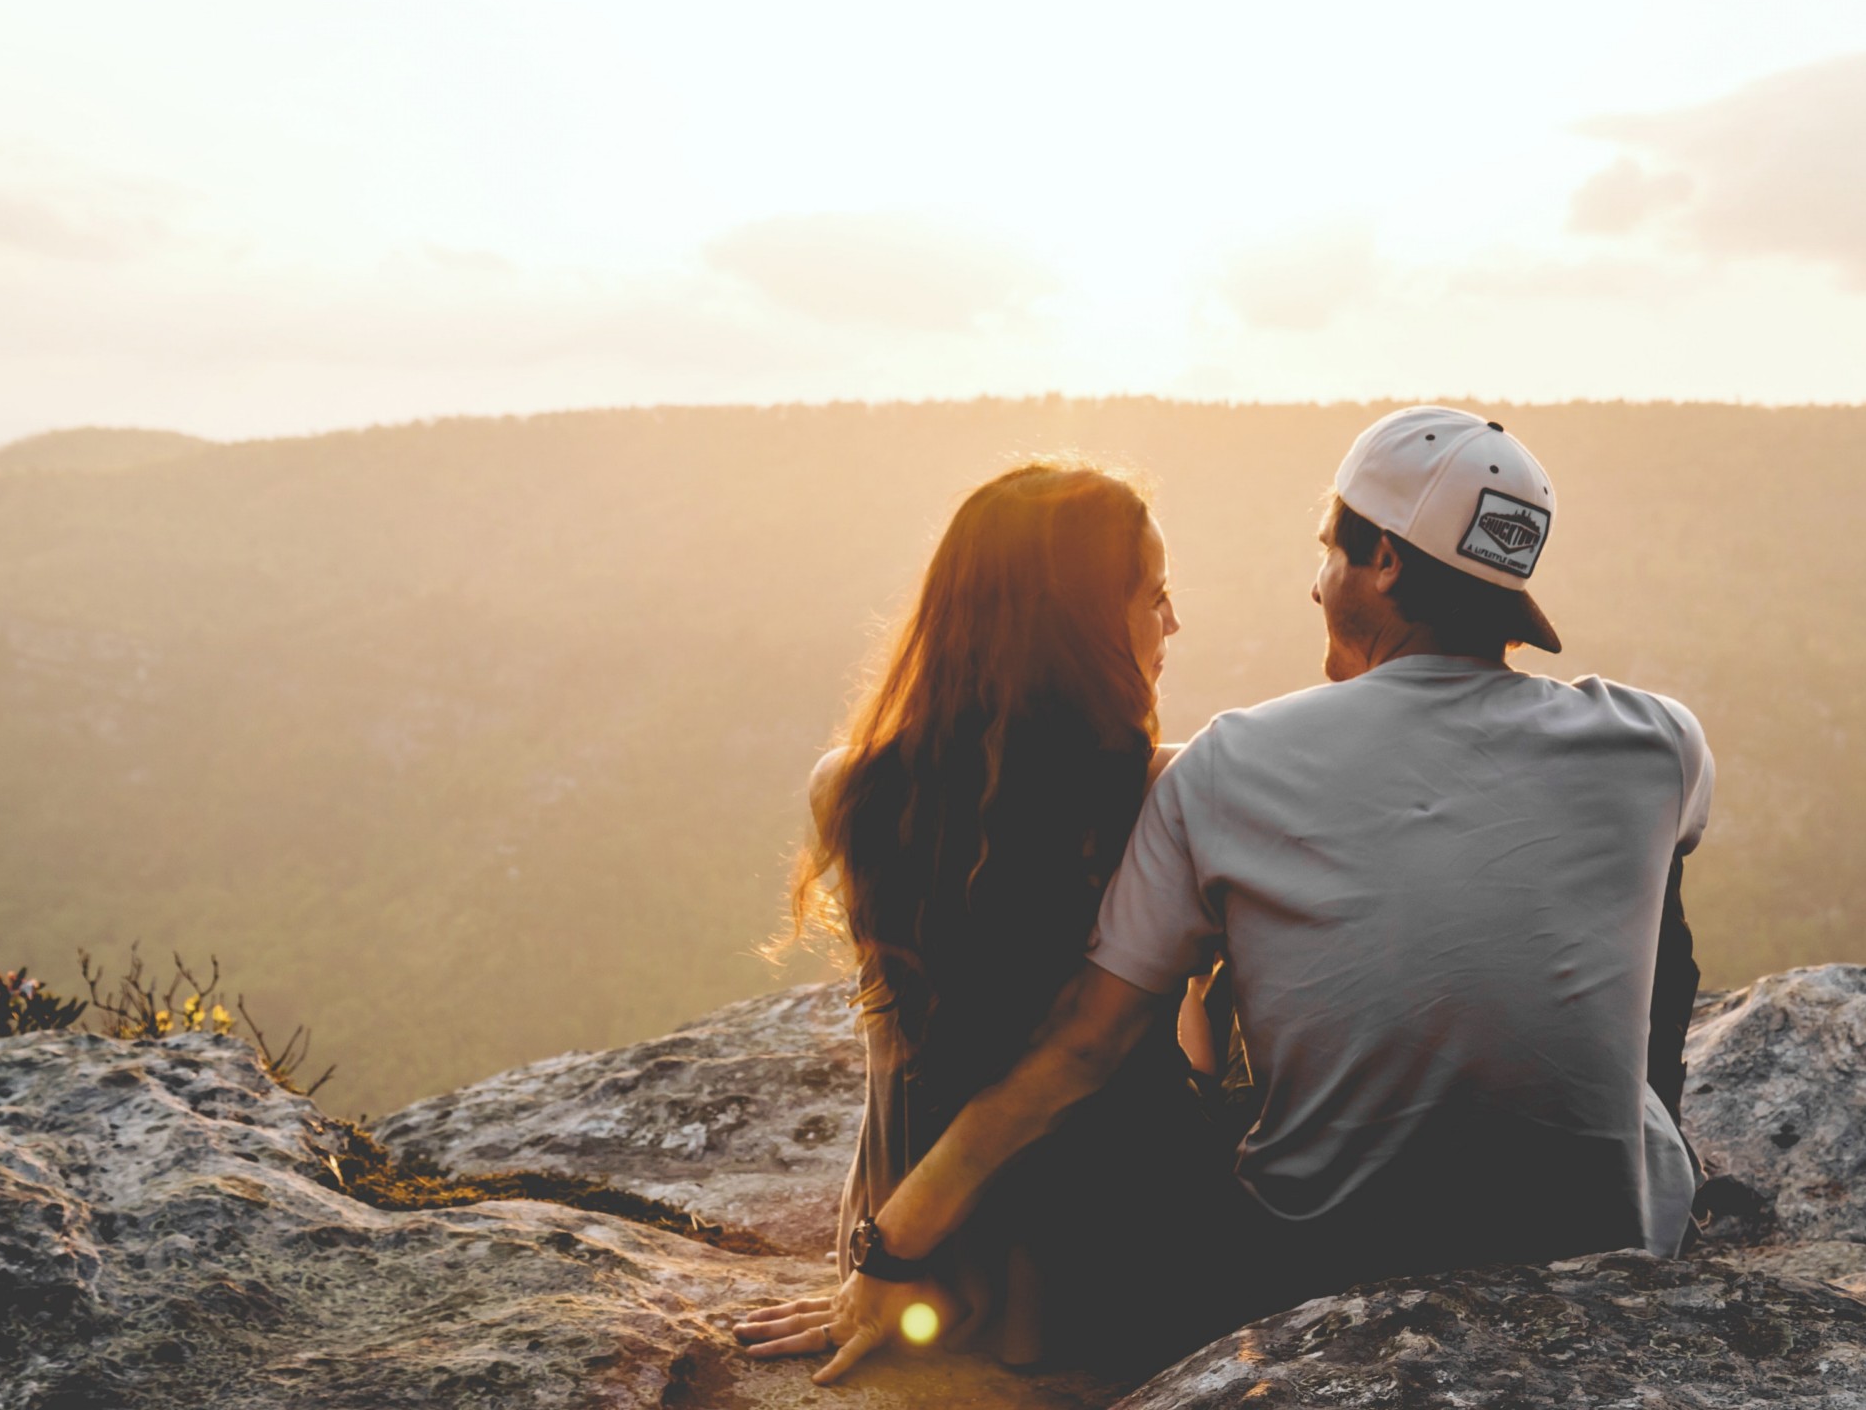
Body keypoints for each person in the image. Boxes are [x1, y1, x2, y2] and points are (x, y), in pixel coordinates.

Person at [797, 406, 1715, 1382]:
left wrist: (893, 1240)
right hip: (1610, 1241)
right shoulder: (1657, 742)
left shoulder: (1234, 765)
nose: (1314, 580)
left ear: (1384, 566)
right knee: (1656, 883)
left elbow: (1087, 1040)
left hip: (1318, 1260)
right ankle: (1615, 1147)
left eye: (1329, 549)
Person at [733, 460, 1227, 1381]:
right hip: (1117, 1256)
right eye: (1154, 596)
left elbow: (899, 1062)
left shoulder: (847, 786)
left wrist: (882, 1254)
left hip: (919, 1256)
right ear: (1077, 629)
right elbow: (1096, 1054)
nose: (1173, 623)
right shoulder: (1169, 790)